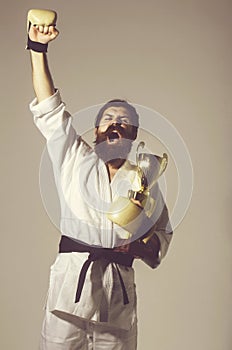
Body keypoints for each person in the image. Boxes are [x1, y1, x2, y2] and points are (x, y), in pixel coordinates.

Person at [27, 12, 173, 350]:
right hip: (69, 298)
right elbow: (50, 107)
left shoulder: (144, 179)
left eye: (124, 121)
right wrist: (37, 48)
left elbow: (159, 243)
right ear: (96, 130)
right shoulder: (73, 155)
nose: (115, 123)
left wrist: (138, 246)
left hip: (117, 303)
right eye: (108, 118)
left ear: (133, 134)